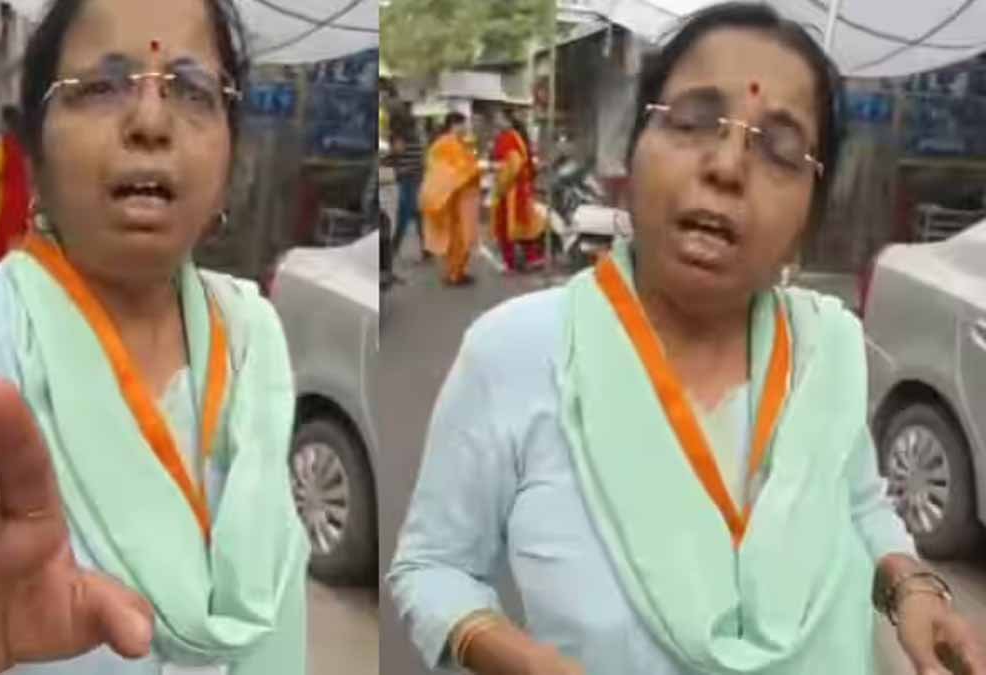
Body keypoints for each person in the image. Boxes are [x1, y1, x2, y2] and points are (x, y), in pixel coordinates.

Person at [388, 5, 986, 675]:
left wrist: (909, 586)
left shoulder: (826, 352)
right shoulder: (517, 354)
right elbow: (432, 568)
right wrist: (521, 660)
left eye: (779, 149)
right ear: (633, 152)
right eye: (693, 121)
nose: (727, 165)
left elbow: (860, 502)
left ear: (811, 215)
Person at [0, 1, 310, 674]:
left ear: (229, 154)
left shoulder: (252, 331)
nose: (151, 122)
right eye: (100, 86)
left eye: (192, 90)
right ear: (36, 154)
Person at [420, 112, 480, 287]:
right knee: (457, 237)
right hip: (454, 199)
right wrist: (473, 170)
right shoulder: (446, 145)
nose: (466, 128)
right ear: (454, 125)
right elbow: (448, 171)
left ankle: (458, 271)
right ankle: (454, 274)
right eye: (463, 125)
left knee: (462, 236)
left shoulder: (456, 144)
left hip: (461, 198)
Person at [490, 108, 544, 273]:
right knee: (523, 225)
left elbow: (513, 164)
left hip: (510, 190)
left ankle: (511, 263)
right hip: (520, 187)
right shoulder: (516, 136)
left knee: (506, 227)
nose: (496, 122)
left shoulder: (508, 138)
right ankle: (531, 258)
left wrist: (501, 185)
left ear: (507, 120)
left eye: (499, 118)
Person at [0, 105, 33, 264]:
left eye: (0, 121)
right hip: (25, 194)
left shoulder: (1, 144)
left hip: (5, 196)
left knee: (0, 232)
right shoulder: (26, 144)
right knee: (18, 235)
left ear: (6, 123)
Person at [387, 112, 427, 263]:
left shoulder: (400, 136)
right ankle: (426, 248)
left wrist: (385, 159)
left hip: (408, 178)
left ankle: (393, 247)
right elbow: (420, 159)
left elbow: (397, 152)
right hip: (416, 177)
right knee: (417, 214)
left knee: (404, 214)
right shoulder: (416, 137)